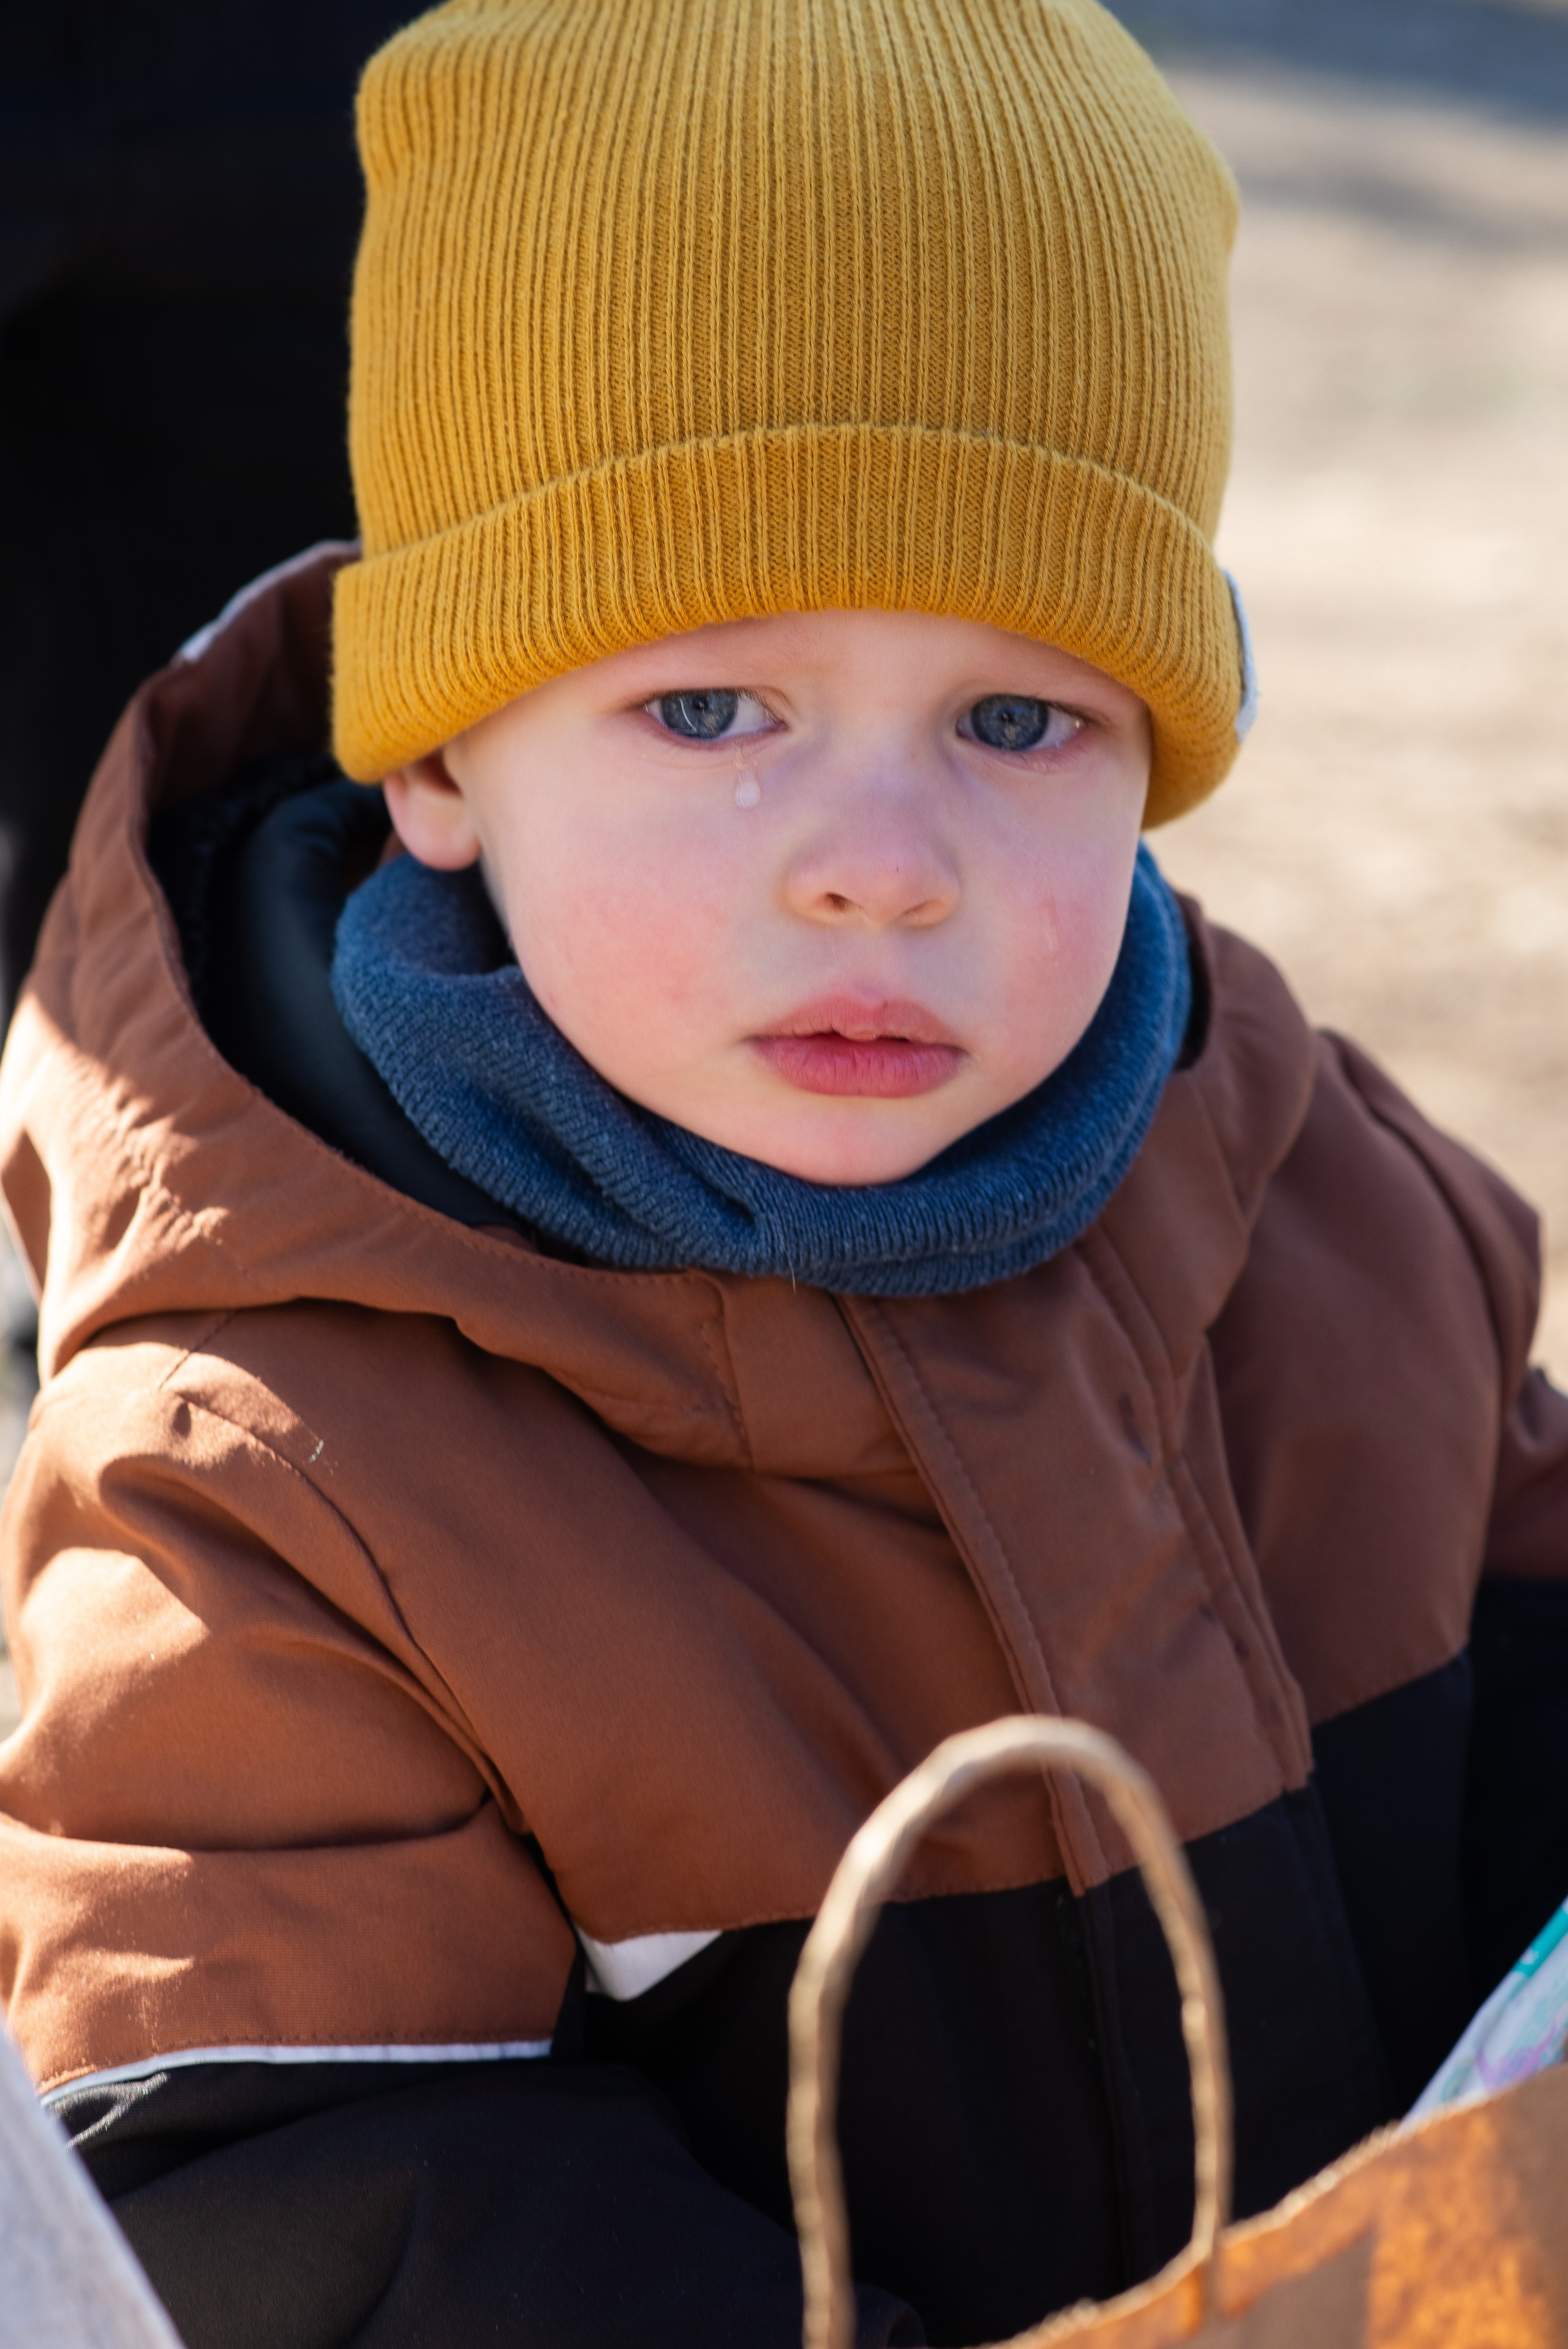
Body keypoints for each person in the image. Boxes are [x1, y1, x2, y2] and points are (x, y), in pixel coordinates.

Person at [2, 3, 1566, 2343]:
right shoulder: (265, 1475)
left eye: (1020, 717)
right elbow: (297, 2201)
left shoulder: (1310, 1182)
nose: (881, 864)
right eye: (711, 707)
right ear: (443, 753)